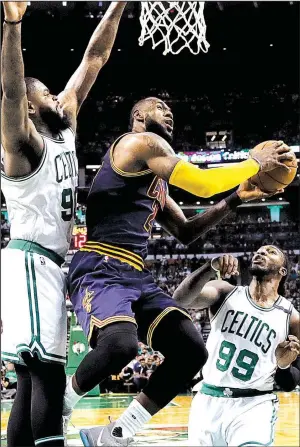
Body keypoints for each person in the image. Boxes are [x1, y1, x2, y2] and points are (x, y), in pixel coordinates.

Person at [63, 94, 293, 446]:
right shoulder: (140, 143)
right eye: (159, 107)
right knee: (122, 345)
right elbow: (200, 184)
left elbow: (185, 231)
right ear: (138, 116)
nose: (169, 112)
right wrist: (252, 161)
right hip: (101, 264)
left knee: (191, 349)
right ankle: (62, 404)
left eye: (170, 109)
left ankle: (116, 434)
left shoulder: (154, 179)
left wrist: (236, 199)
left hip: (135, 273)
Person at [0, 2, 127, 446]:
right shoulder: (22, 147)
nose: (57, 98)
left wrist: (118, 4)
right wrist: (13, 24)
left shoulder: (64, 127)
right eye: (46, 96)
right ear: (31, 111)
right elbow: (12, 93)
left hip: (47, 264)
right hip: (32, 262)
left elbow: (93, 59)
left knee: (30, 383)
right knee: (50, 377)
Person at [173, 247, 300, 446]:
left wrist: (284, 365)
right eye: (258, 251)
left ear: (282, 271)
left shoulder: (291, 318)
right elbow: (180, 299)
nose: (261, 253)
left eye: (270, 252)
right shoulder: (225, 292)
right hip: (208, 400)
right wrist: (209, 267)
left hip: (254, 405)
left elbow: (290, 382)